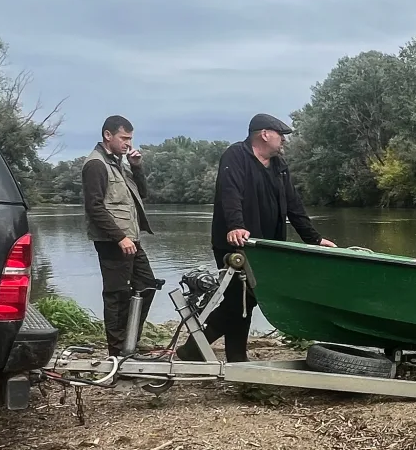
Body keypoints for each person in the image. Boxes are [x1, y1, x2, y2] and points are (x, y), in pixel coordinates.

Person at [183, 112, 334, 362]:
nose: (284, 140)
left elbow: (294, 205)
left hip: (264, 247)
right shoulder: (235, 156)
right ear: (264, 134)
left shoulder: (279, 167)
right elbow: (229, 194)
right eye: (281, 135)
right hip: (234, 243)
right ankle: (204, 351)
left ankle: (224, 355)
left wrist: (314, 239)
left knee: (244, 301)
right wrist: (235, 225)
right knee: (239, 301)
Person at [82, 115, 161, 355]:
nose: (128, 143)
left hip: (130, 240)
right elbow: (94, 207)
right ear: (108, 135)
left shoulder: (119, 164)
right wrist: (120, 238)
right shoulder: (95, 164)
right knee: (116, 295)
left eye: (130, 138)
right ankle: (117, 352)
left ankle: (130, 342)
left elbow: (143, 195)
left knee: (146, 285)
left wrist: (137, 167)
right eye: (124, 138)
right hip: (113, 242)